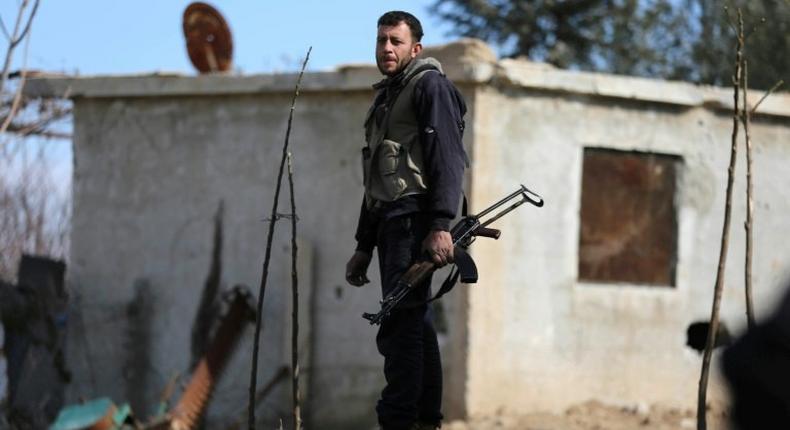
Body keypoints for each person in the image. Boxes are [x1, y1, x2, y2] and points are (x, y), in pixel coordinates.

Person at [344, 10, 468, 430]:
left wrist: (440, 225)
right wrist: (364, 245)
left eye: (395, 41)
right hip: (391, 223)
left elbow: (447, 160)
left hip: (416, 222)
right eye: (381, 40)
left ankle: (398, 421)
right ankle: (424, 421)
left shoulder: (429, 87)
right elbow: (378, 178)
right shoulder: (386, 97)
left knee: (399, 324)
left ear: (415, 48)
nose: (386, 48)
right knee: (414, 323)